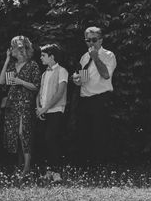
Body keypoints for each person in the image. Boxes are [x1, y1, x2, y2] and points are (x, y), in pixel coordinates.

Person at [72, 26, 117, 166]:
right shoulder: (84, 57)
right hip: (85, 99)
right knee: (84, 134)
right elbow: (82, 77)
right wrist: (76, 79)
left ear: (101, 40)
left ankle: (100, 166)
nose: (91, 43)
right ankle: (86, 166)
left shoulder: (109, 55)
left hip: (100, 99)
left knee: (100, 134)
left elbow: (105, 74)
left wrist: (96, 58)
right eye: (88, 40)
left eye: (94, 40)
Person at [0, 35, 41, 177]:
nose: (16, 50)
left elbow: (36, 86)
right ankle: (19, 165)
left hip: (25, 104)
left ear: (25, 48)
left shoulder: (32, 65)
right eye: (14, 47)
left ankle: (27, 168)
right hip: (12, 104)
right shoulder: (12, 65)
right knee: (14, 135)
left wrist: (20, 81)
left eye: (19, 47)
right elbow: (1, 81)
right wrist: (7, 59)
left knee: (24, 134)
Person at [36, 44, 68, 182]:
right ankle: (48, 171)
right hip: (43, 111)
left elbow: (59, 93)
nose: (40, 58)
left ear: (52, 56)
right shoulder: (44, 73)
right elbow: (40, 92)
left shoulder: (62, 71)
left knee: (52, 139)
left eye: (43, 55)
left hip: (55, 110)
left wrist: (45, 108)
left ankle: (57, 172)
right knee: (44, 141)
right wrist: (38, 108)